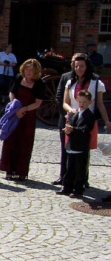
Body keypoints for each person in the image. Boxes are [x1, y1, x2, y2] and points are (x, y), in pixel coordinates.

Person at [62, 54, 111, 186]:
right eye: (76, 66)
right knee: (71, 150)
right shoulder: (70, 82)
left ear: (87, 66)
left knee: (84, 152)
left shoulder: (96, 83)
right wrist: (71, 110)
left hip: (88, 120)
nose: (79, 69)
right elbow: (65, 103)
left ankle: (82, 180)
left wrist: (107, 121)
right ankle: (69, 181)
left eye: (82, 66)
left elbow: (100, 104)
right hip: (72, 120)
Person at [0, 58, 45, 181]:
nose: (28, 72)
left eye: (31, 70)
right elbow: (12, 92)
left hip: (28, 117)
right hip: (15, 114)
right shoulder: (19, 78)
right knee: (10, 142)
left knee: (25, 144)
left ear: (36, 71)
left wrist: (24, 109)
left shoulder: (39, 83)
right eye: (27, 69)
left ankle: (21, 172)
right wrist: (14, 105)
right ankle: (9, 170)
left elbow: (38, 103)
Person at [56, 90, 96, 198]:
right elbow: (69, 124)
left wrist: (73, 129)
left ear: (90, 102)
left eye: (84, 102)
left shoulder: (90, 115)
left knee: (80, 170)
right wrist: (68, 129)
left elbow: (85, 129)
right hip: (72, 146)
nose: (81, 104)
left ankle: (78, 190)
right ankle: (66, 187)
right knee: (69, 169)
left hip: (81, 147)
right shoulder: (75, 113)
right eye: (80, 102)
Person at [52, 56, 76, 186]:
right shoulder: (65, 76)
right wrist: (66, 115)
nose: (74, 65)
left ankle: (81, 178)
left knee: (82, 151)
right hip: (65, 117)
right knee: (64, 148)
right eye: (72, 62)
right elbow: (59, 96)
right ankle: (63, 176)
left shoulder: (92, 78)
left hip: (80, 120)